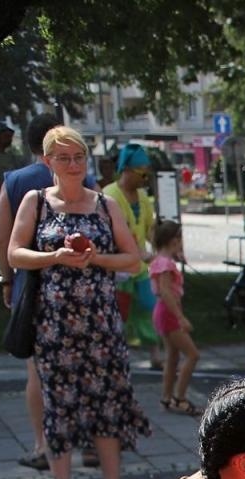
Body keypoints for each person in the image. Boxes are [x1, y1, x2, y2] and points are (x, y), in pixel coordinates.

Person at [6, 124, 150, 479]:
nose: (73, 165)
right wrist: (54, 257)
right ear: (49, 161)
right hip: (55, 323)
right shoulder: (37, 202)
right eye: (64, 158)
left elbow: (132, 258)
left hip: (100, 321)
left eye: (79, 157)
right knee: (60, 403)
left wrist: (95, 258)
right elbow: (15, 253)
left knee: (107, 399)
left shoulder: (105, 204)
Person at [0, 112, 95, 472]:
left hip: (33, 284)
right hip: (84, 286)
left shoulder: (17, 180)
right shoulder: (86, 177)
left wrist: (7, 279)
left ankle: (42, 445)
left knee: (38, 372)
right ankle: (89, 440)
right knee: (85, 365)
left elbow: (1, 236)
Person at [104, 144, 162, 370]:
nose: (146, 177)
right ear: (126, 170)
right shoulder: (109, 196)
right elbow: (113, 235)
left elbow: (150, 229)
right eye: (142, 172)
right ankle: (115, 355)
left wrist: (164, 250)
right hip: (117, 268)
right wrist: (140, 253)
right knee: (119, 312)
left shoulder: (142, 197)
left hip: (138, 267)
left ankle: (154, 352)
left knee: (149, 306)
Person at [149, 220, 201, 416]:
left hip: (163, 313)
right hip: (168, 313)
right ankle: (179, 398)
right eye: (180, 239)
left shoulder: (161, 260)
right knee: (193, 355)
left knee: (172, 357)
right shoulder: (165, 264)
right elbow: (166, 291)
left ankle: (167, 396)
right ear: (173, 240)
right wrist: (180, 317)